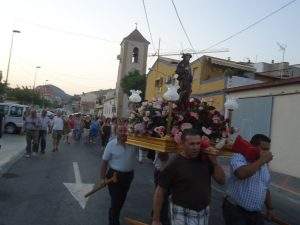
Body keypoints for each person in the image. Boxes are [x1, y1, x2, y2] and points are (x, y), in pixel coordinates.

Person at [152, 129, 225, 225]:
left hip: (203, 210)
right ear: (182, 144)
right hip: (182, 211)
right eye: (192, 144)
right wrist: (156, 219)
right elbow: (160, 191)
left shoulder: (206, 159)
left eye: (198, 143)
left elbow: (221, 180)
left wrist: (215, 163)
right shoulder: (174, 163)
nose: (196, 147)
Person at [222, 134, 274, 225]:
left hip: (255, 213)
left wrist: (270, 208)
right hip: (236, 210)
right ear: (253, 146)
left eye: (268, 149)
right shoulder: (239, 157)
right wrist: (262, 160)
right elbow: (241, 174)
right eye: (264, 149)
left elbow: (265, 188)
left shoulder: (264, 164)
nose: (267, 153)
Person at [100, 121, 137, 225]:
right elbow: (104, 162)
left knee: (121, 199)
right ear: (116, 132)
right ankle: (113, 222)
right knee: (116, 201)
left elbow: (145, 148)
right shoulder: (111, 145)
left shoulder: (133, 143)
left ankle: (115, 216)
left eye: (125, 130)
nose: (123, 133)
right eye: (120, 131)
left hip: (128, 176)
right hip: (114, 176)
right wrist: (102, 179)